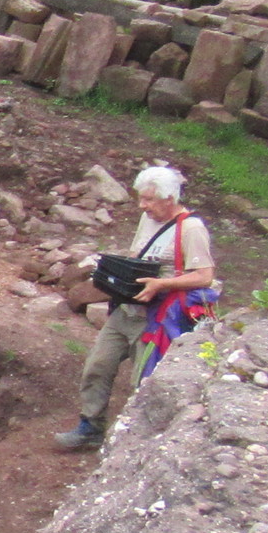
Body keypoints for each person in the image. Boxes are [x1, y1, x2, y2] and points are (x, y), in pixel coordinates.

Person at [58, 162, 219, 450]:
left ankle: (132, 444)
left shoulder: (191, 228)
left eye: (149, 199)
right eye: (141, 198)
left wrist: (161, 284)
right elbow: (138, 257)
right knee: (97, 366)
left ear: (169, 198)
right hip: (127, 310)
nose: (142, 205)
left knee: (142, 382)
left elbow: (204, 276)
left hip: (157, 317)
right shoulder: (148, 219)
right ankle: (90, 428)